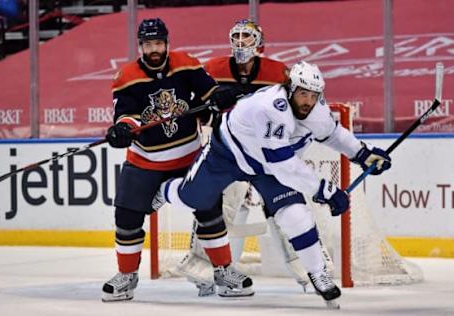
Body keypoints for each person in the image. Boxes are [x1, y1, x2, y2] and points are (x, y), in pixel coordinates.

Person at [152, 60, 392, 305]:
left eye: (313, 95)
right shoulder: (271, 109)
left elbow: (333, 134)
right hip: (228, 155)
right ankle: (163, 191)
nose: (308, 101)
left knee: (296, 214)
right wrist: (325, 190)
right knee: (193, 198)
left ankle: (318, 274)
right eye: (302, 93)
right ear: (290, 89)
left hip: (265, 167)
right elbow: (284, 166)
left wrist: (363, 154)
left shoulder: (315, 108)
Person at [102, 17, 253, 302]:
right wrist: (123, 128)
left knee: (210, 212)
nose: (154, 49)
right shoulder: (126, 76)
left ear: (167, 43)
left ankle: (223, 271)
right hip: (146, 161)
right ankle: (127, 276)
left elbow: (209, 93)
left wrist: (221, 96)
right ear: (141, 47)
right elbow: (126, 114)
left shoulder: (187, 64)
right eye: (148, 44)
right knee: (126, 216)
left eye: (158, 43)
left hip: (189, 158)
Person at [179, 19, 315, 295]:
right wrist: (209, 106)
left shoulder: (279, 72)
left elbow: (297, 110)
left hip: (267, 156)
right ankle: (203, 268)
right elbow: (199, 108)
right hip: (229, 153)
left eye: (247, 36)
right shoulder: (213, 69)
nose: (241, 42)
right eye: (236, 36)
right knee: (217, 206)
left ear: (260, 42)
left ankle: (310, 270)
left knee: (285, 207)